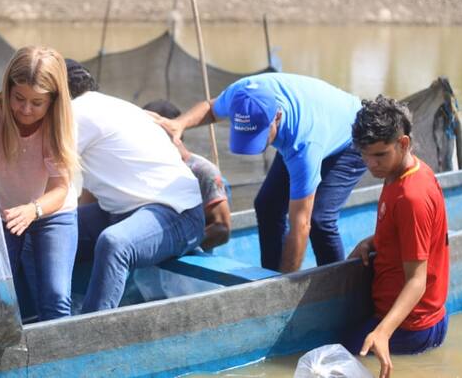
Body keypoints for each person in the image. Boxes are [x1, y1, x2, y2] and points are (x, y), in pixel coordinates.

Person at [153, 73, 367, 273]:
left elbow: (301, 225)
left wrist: (286, 287)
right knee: (267, 205)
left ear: (277, 117)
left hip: (351, 135)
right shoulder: (242, 93)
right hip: (310, 125)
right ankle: (269, 276)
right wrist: (178, 124)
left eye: (260, 136)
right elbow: (210, 108)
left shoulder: (303, 145)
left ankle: (338, 286)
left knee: (320, 219)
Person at [65, 59, 205, 313]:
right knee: (52, 227)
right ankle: (48, 314)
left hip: (177, 214)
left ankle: (88, 334)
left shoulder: (75, 112)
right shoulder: (107, 104)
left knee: (114, 243)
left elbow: (45, 176)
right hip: (121, 212)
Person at [0, 46, 78, 321]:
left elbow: (60, 189)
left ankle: (57, 358)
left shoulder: (60, 123)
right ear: (8, 89)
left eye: (37, 103)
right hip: (2, 215)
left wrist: (33, 210)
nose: (25, 110)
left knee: (57, 296)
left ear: (54, 101)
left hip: (52, 212)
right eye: (19, 98)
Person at [344, 95, 450, 378]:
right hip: (417, 320)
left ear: (403, 143)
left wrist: (383, 332)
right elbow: (405, 232)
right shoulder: (396, 173)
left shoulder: (412, 196)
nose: (371, 164)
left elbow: (417, 280)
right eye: (364, 154)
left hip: (412, 327)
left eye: (379, 155)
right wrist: (373, 241)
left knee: (329, 357)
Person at [142, 99, 232, 250]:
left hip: (190, 262)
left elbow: (222, 229)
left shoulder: (202, 171)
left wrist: (174, 246)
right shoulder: (142, 167)